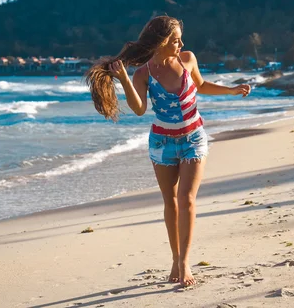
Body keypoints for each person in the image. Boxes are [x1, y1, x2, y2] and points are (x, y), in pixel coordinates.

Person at [85, 16, 250, 287]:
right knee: (170, 202)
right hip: (162, 143)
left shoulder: (187, 59)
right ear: (161, 42)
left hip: (193, 138)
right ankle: (175, 258)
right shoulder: (143, 74)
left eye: (180, 39)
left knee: (186, 199)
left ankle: (184, 263)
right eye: (175, 40)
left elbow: (201, 85)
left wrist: (231, 91)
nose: (181, 43)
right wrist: (125, 79)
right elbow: (139, 109)